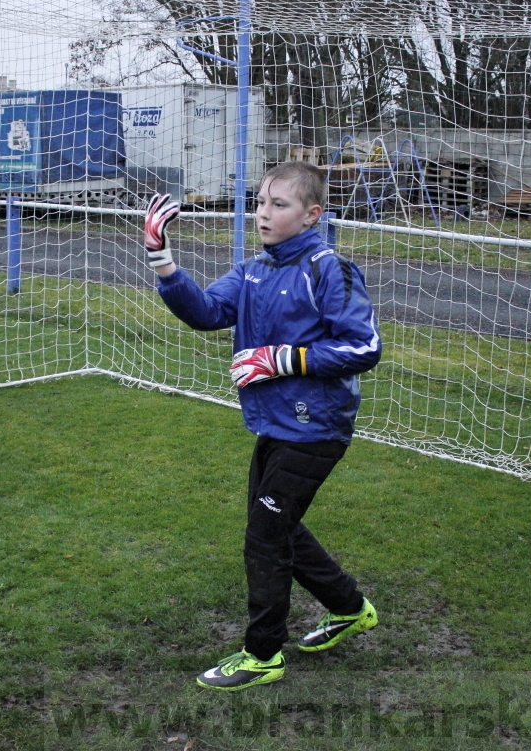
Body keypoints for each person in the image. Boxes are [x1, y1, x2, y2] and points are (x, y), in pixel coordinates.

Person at [142, 161, 382, 691]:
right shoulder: (254, 269)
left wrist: (282, 359)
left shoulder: (329, 270)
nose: (263, 214)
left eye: (279, 204)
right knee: (278, 525)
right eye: (259, 203)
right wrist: (163, 260)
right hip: (274, 422)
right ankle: (349, 607)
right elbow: (207, 312)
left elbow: (364, 347)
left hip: (317, 428)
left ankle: (262, 655)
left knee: (264, 538)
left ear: (312, 214)